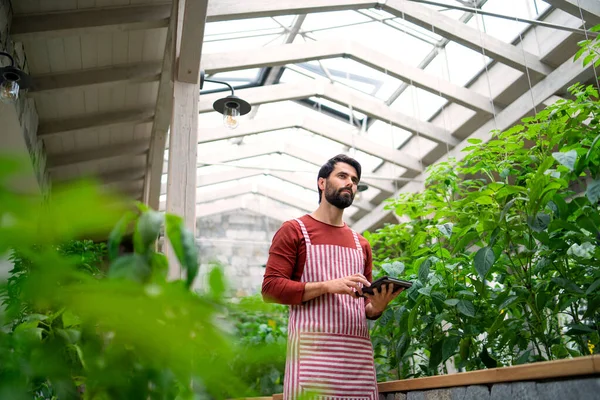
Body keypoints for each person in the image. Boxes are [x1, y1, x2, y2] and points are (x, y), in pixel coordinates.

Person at [262, 154, 403, 400]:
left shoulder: (362, 244)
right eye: (342, 176)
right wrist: (328, 285)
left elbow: (365, 305)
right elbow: (271, 289)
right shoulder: (294, 231)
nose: (350, 183)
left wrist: (377, 307)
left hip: (356, 365)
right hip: (311, 362)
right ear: (322, 183)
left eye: (355, 180)